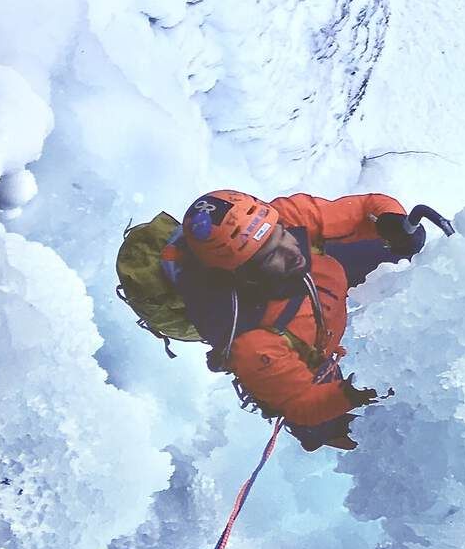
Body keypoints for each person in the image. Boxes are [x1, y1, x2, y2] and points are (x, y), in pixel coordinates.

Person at [173, 188, 446, 450]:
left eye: (280, 234)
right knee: (325, 423)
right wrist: (357, 390)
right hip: (310, 352)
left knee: (399, 240)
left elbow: (367, 206)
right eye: (271, 255)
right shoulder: (251, 342)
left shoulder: (285, 217)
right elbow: (303, 404)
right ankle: (334, 437)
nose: (291, 249)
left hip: (324, 286)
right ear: (243, 273)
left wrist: (390, 221)